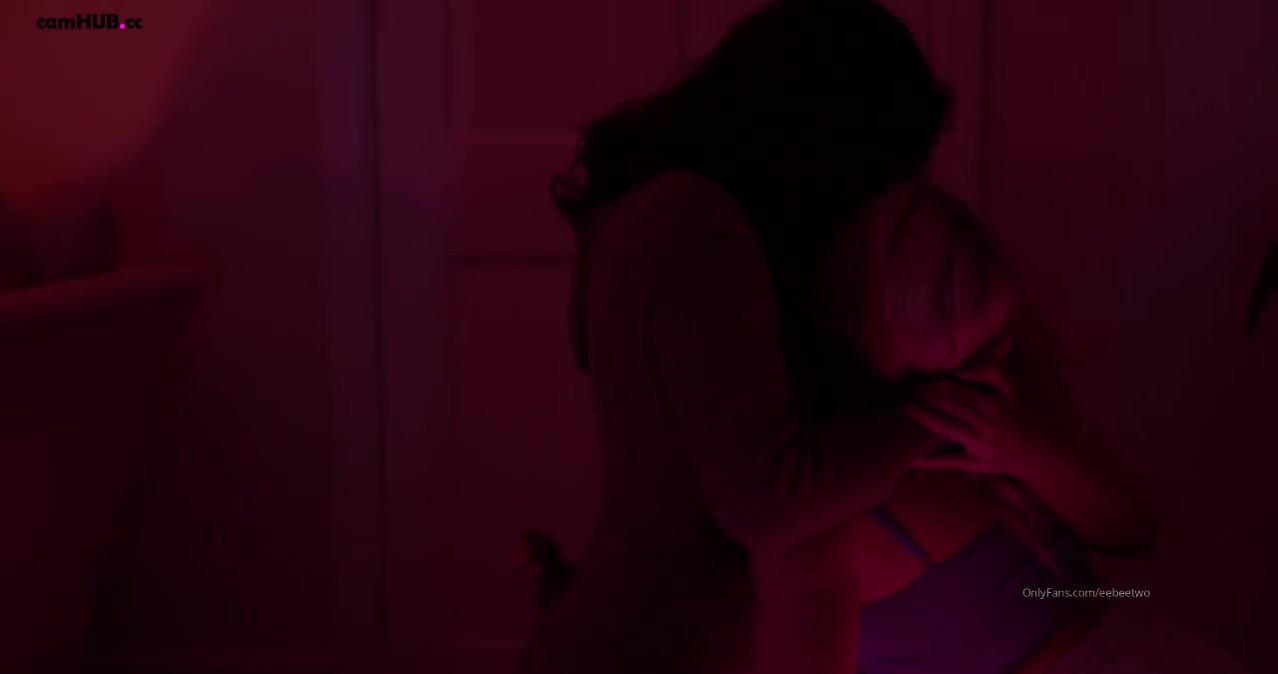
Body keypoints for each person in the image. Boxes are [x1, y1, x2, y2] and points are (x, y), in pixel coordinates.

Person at [518, 1, 954, 672]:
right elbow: (766, 499)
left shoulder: (647, 206)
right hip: (652, 646)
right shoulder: (693, 222)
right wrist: (933, 418)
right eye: (869, 180)